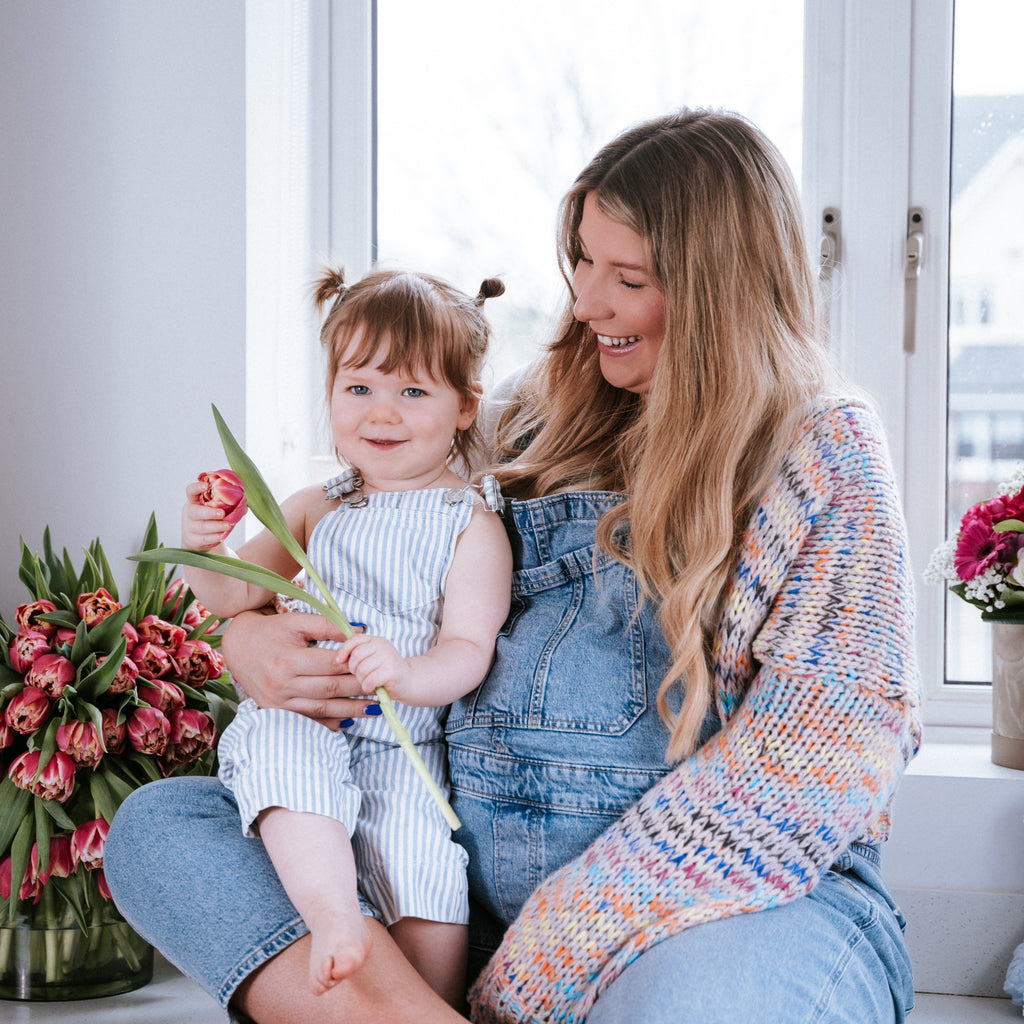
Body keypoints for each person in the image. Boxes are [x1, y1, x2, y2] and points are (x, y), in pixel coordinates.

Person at [106, 109, 921, 1024]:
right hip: (462, 902)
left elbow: (807, 771)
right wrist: (246, 640)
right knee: (160, 831)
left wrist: (541, 964)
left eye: (629, 278)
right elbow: (330, 545)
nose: (584, 303)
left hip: (727, 913)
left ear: (720, 293)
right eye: (581, 261)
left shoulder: (823, 453)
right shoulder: (530, 419)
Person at [174, 266, 512, 1006]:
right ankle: (332, 919)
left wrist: (403, 672)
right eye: (358, 388)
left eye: (413, 392)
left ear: (465, 407)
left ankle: (431, 1006)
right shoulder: (315, 506)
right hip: (307, 719)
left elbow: (466, 650)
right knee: (279, 752)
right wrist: (209, 544)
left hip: (404, 744)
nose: (381, 414)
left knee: (425, 869)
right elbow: (233, 596)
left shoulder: (471, 525)